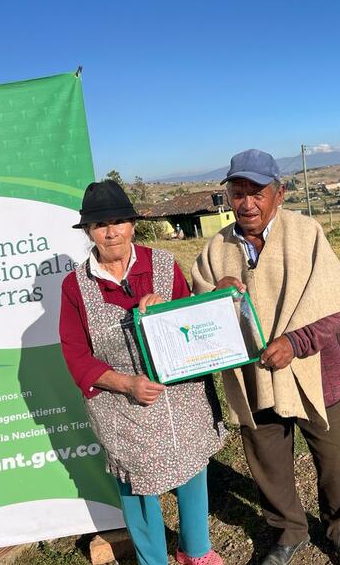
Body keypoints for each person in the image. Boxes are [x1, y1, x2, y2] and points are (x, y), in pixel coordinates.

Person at [191, 150, 340, 565]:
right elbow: (197, 312)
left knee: (333, 455)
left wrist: (296, 342)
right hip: (253, 378)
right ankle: (288, 532)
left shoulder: (306, 234)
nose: (247, 203)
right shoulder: (217, 249)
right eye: (238, 193)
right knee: (267, 461)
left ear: (280, 193)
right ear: (228, 198)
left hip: (314, 374)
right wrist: (217, 296)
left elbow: (333, 304)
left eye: (258, 192)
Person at [59, 180, 226, 565]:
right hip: (122, 405)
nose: (111, 231)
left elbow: (195, 328)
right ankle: (154, 560)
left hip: (179, 395)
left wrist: (167, 310)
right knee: (137, 486)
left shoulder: (163, 265)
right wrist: (126, 384)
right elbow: (76, 355)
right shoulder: (75, 287)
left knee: (192, 467)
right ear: (89, 232)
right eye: (101, 225)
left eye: (119, 221)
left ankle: (195, 550)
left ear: (133, 224)